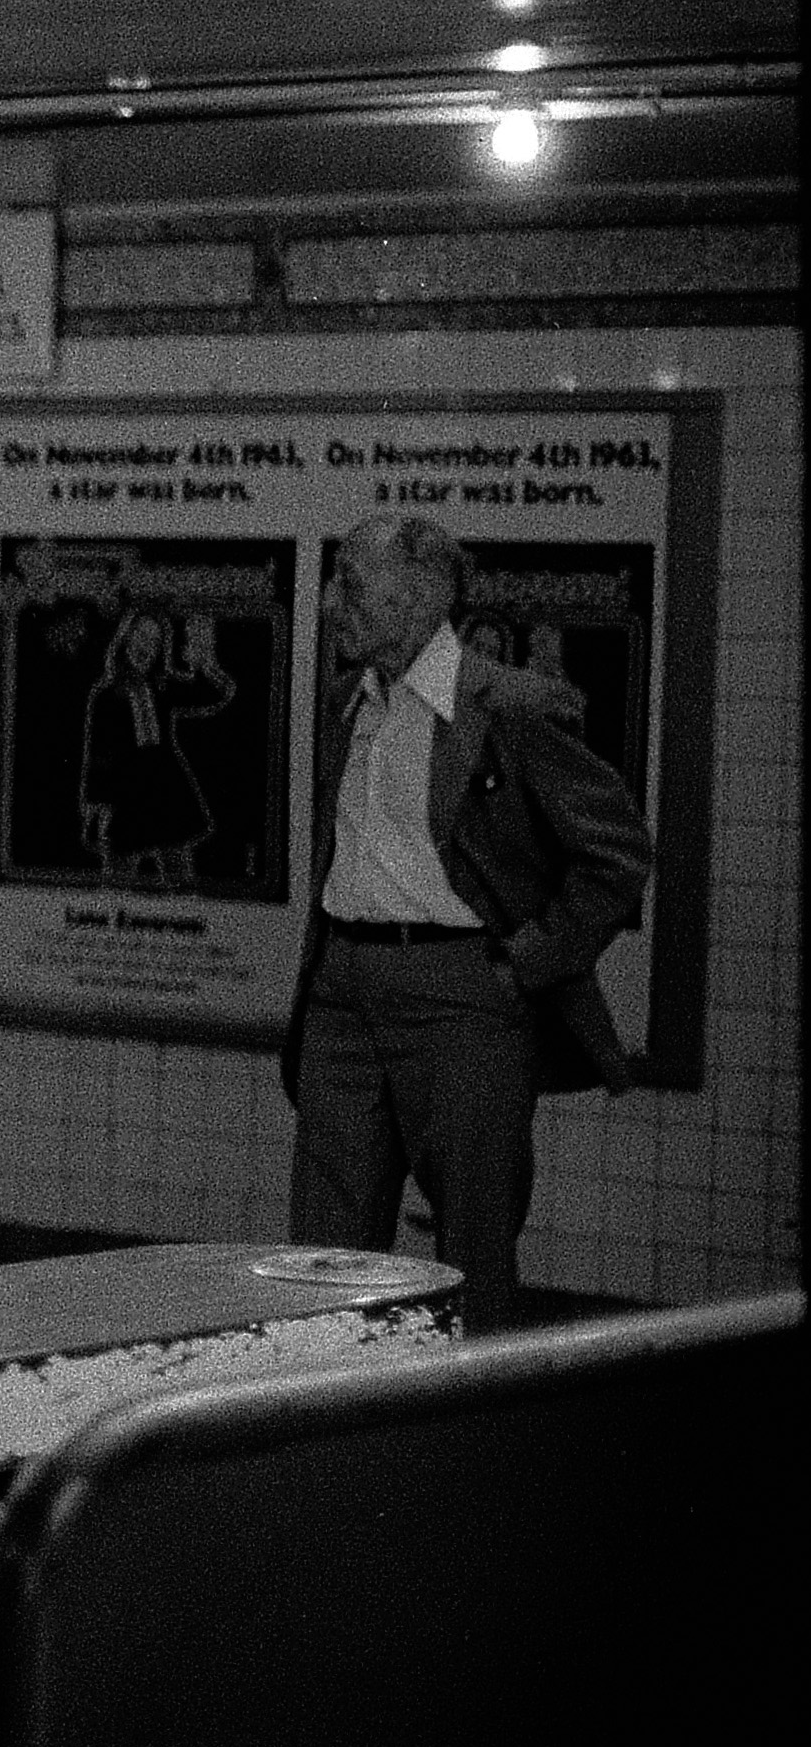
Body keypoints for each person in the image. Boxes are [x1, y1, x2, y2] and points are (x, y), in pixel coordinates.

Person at [282, 515, 652, 1327]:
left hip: (463, 993)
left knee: (470, 1240)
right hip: (342, 991)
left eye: (348, 581)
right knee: (324, 1243)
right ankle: (324, 1424)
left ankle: (470, 1428)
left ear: (419, 596)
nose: (328, 602)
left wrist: (531, 959)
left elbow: (618, 852)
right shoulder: (350, 698)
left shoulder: (509, 706)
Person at [77, 607, 232, 889]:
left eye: (155, 640)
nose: (147, 645)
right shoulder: (106, 695)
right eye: (141, 637)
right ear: (126, 639)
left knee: (179, 874)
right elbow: (98, 754)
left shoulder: (163, 685)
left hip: (165, 786)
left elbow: (214, 693)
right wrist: (98, 806)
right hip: (125, 792)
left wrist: (205, 661)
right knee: (118, 878)